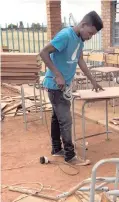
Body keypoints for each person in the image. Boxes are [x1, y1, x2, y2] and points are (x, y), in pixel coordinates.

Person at [40, 11, 104, 165]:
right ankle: (70, 156)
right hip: (56, 86)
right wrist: (58, 75)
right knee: (66, 121)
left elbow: (80, 60)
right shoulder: (66, 36)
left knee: (57, 118)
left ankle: (56, 149)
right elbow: (43, 52)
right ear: (83, 25)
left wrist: (93, 80)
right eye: (90, 33)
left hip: (63, 86)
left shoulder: (79, 39)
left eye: (93, 35)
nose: (90, 37)